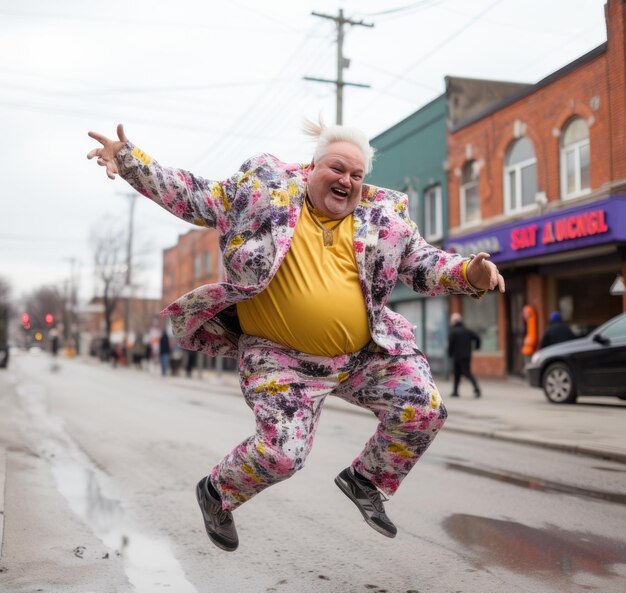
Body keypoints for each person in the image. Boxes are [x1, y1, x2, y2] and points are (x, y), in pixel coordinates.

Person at [87, 121, 505, 552]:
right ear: (312, 168)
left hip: (363, 355)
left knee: (424, 409)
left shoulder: (385, 218)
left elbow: (425, 263)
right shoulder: (265, 192)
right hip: (281, 360)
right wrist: (127, 158)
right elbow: (194, 194)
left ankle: (367, 479)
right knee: (281, 454)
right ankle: (217, 492)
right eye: (337, 169)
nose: (346, 181)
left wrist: (468, 272)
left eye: (356, 176)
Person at [447, 312, 481, 398]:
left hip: (457, 356)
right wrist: (477, 347)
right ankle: (455, 391)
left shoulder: (453, 331)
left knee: (465, 373)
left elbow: (451, 344)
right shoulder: (467, 330)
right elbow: (477, 337)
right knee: (459, 373)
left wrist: (450, 354)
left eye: (451, 320)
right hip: (466, 355)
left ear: (454, 321)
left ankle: (477, 389)